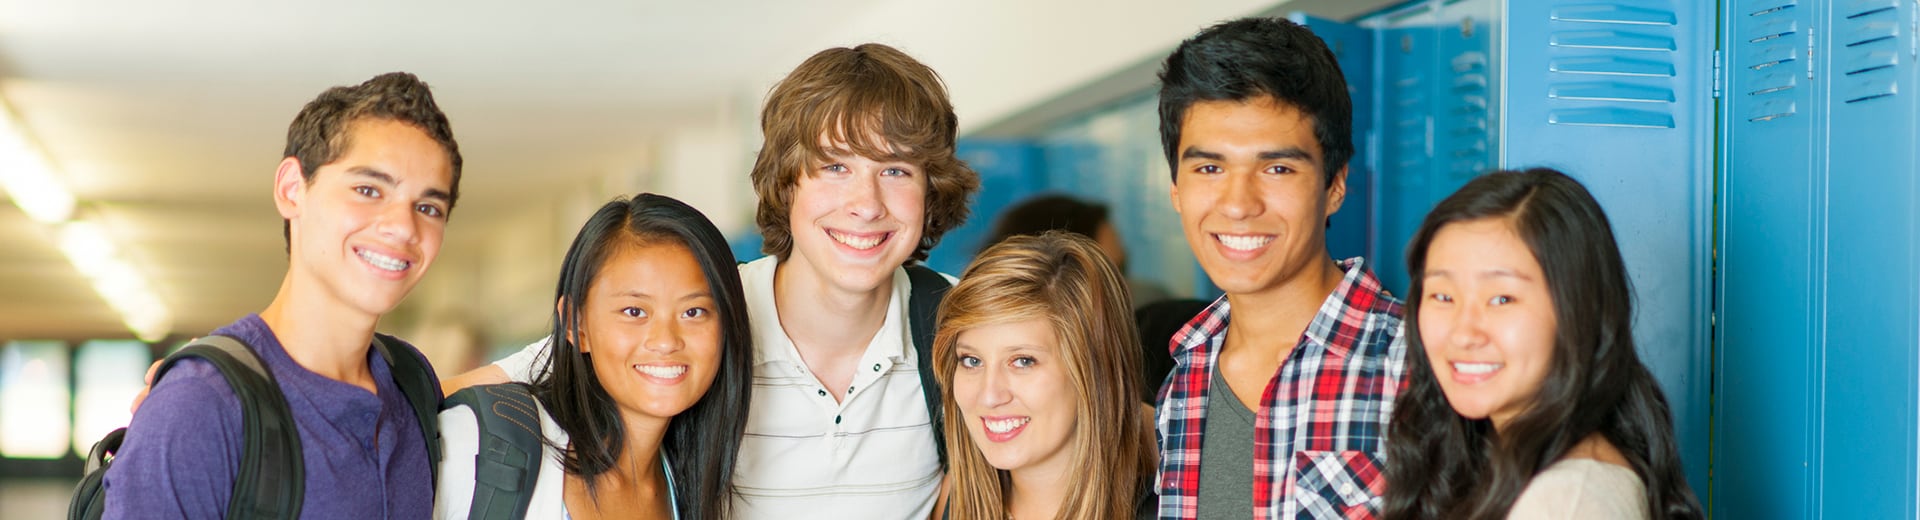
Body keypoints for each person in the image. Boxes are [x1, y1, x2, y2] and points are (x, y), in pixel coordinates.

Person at [442, 43, 981, 518]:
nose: (866, 205)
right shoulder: (698, 314)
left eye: (896, 171)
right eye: (835, 167)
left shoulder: (967, 326)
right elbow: (443, 398)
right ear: (787, 184)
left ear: (930, 191)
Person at [104, 72, 463, 518]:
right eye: (368, 190)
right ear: (292, 189)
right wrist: (190, 390)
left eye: (428, 207)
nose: (404, 227)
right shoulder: (201, 406)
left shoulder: (411, 385)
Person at [1151, 17, 1407, 519]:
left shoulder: (1415, 366)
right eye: (1209, 168)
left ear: (1334, 185)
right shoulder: (1184, 378)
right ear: (1176, 189)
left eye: (1277, 169)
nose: (1239, 204)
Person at [1381, 169, 1704, 519]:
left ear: (1578, 311)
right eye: (1442, 296)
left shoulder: (1568, 501)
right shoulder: (1501, 461)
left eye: (1502, 299)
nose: (1463, 333)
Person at [435, 193, 752, 520]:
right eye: (634, 311)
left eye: (694, 311)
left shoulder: (698, 487)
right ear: (577, 324)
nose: (666, 341)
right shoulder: (480, 447)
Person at [933, 231, 1157, 520]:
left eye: (1023, 361)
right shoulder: (955, 499)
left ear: (1093, 368)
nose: (989, 395)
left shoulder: (1176, 504)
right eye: (972, 360)